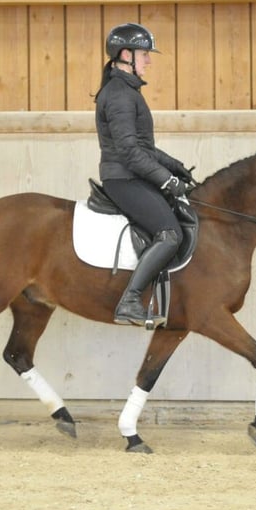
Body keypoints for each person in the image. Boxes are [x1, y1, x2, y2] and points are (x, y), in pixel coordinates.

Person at [94, 22, 193, 326]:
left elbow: (143, 147)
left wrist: (174, 167)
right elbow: (128, 151)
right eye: (145, 54)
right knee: (170, 233)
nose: (149, 60)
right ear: (126, 55)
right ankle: (130, 300)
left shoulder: (127, 90)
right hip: (123, 178)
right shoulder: (120, 93)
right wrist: (166, 179)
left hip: (130, 173)